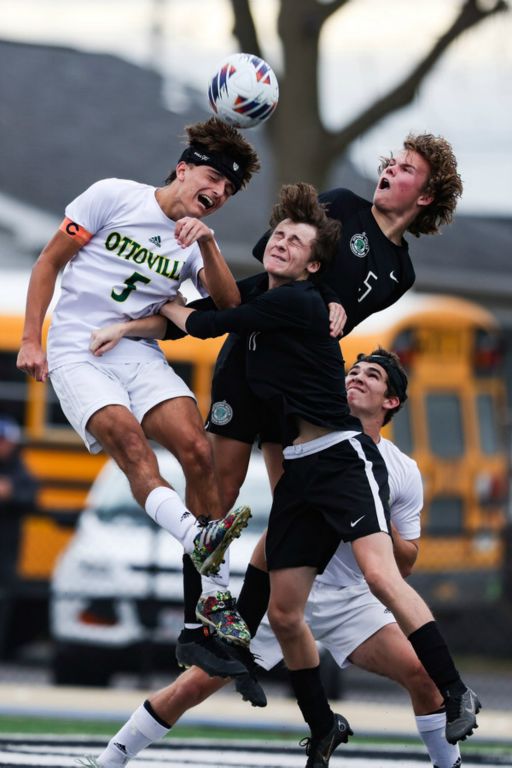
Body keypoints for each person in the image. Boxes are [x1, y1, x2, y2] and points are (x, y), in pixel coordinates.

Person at [159, 182, 480, 763]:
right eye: (278, 236)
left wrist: (159, 306)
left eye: (407, 167)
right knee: (281, 605)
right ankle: (310, 715)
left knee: (382, 578)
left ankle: (456, 691)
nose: (390, 170)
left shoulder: (309, 300)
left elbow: (209, 321)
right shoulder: (300, 273)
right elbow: (236, 300)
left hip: (335, 460)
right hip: (303, 464)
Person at [81, 348, 462, 768]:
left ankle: (449, 764)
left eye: (372, 375)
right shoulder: (302, 437)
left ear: (392, 402)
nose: (356, 378)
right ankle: (109, 759)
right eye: (352, 371)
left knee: (424, 678)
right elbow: (279, 501)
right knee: (194, 685)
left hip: (347, 596)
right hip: (285, 586)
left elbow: (405, 562)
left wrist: (367, 519)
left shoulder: (400, 469)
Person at [16, 116, 261, 680]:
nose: (220, 192)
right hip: (78, 346)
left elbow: (224, 310)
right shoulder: (113, 197)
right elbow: (49, 261)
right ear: (183, 169)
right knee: (131, 444)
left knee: (197, 452)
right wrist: (33, 338)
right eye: (214, 179)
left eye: (229, 190)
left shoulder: (196, 240)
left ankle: (210, 601)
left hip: (134, 349)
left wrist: (211, 247)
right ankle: (197, 535)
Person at [0, 416, 39, 658]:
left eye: (3, 441)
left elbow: (31, 497)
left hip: (6, 551)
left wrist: (10, 492)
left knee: (4, 599)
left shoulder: (18, 468)